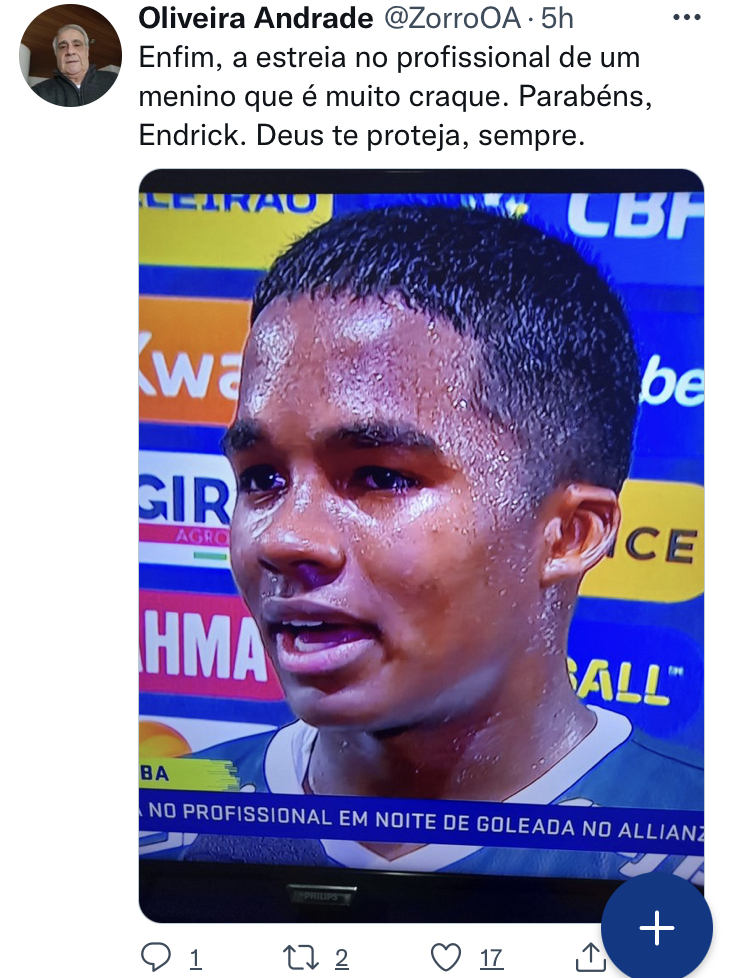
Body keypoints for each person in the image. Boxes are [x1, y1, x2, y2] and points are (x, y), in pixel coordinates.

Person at [155, 206, 703, 878]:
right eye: (262, 478)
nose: (284, 537)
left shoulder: (700, 846)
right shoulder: (160, 826)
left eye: (380, 477)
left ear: (568, 534)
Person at [32, 24, 117, 106]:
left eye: (77, 45)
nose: (70, 51)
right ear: (56, 55)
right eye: (62, 47)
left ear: (87, 52)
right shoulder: (38, 92)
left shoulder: (113, 80)